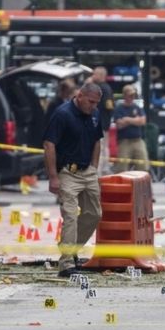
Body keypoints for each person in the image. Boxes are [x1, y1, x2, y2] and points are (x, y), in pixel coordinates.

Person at [42, 82, 104, 277]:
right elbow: (49, 145)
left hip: (88, 172)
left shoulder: (95, 114)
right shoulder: (63, 114)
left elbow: (96, 141)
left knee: (94, 214)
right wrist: (53, 177)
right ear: (80, 95)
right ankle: (66, 263)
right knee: (70, 216)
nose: (94, 106)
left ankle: (71, 248)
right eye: (91, 102)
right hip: (68, 172)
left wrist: (94, 167)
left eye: (96, 103)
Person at [113, 84, 149, 172]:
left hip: (138, 140)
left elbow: (143, 121)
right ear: (125, 95)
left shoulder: (137, 107)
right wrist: (135, 120)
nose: (132, 97)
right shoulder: (119, 108)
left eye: (133, 95)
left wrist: (127, 120)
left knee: (143, 165)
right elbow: (119, 124)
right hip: (124, 141)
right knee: (121, 167)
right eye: (130, 95)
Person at [92, 66, 115, 176]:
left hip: (99, 124)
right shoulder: (107, 88)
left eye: (95, 74)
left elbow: (108, 106)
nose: (93, 76)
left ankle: (98, 172)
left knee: (99, 147)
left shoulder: (100, 88)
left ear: (101, 75)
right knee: (104, 147)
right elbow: (110, 106)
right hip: (104, 124)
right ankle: (105, 169)